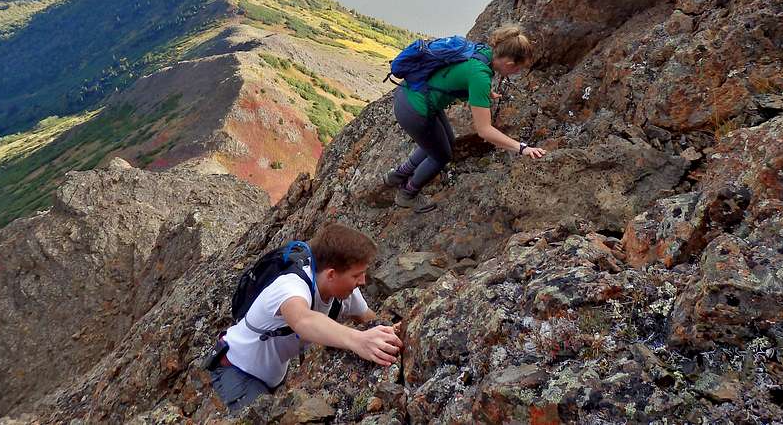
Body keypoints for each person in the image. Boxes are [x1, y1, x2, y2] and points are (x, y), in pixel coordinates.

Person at [209, 223, 401, 414]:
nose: (363, 281)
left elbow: (369, 319)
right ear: (331, 274)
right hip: (236, 370)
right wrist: (357, 340)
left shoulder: (345, 293)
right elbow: (302, 320)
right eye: (356, 275)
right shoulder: (290, 286)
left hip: (273, 376)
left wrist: (392, 331)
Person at [385, 24, 546, 213]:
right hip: (416, 109)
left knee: (446, 142)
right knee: (441, 156)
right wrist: (522, 148)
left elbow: (458, 74)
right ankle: (407, 194)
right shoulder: (480, 76)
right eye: (518, 69)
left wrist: (482, 93)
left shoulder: (482, 51)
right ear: (510, 64)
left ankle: (398, 175)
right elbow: (484, 130)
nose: (516, 73)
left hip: (410, 93)